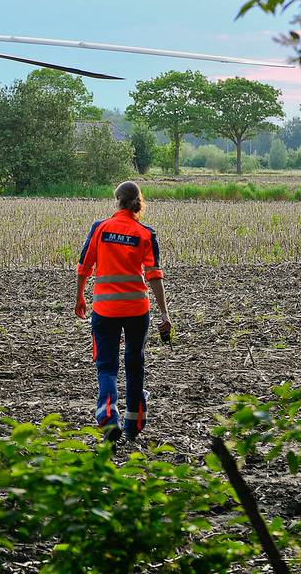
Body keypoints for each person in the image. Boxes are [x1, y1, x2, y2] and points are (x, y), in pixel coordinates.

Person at [74, 181, 172, 443]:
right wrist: (164, 314)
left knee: (106, 366)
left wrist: (80, 297)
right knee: (134, 364)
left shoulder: (100, 228)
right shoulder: (145, 234)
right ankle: (135, 423)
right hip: (137, 310)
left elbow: (84, 266)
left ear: (116, 200)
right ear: (138, 203)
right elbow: (154, 275)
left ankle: (108, 416)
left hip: (105, 309)